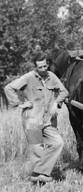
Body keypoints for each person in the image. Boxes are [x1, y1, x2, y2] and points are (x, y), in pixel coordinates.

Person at [4, 53, 69, 183]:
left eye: (45, 66)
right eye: (40, 67)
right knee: (37, 150)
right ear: (35, 67)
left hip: (49, 121)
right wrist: (20, 104)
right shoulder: (28, 77)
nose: (43, 69)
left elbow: (64, 92)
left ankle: (37, 174)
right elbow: (9, 88)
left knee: (57, 143)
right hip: (32, 121)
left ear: (48, 65)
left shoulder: (52, 77)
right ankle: (41, 179)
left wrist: (56, 103)